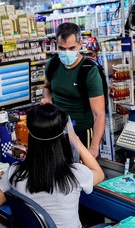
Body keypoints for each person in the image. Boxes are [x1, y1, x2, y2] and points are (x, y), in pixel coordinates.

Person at [0, 104, 104, 228]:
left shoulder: (14, 172)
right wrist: (76, 141)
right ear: (63, 138)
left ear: (31, 137)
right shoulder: (76, 174)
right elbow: (99, 173)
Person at [42, 22, 106, 158]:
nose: (66, 53)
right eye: (62, 48)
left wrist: (94, 147)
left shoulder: (89, 72)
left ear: (80, 44)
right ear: (56, 45)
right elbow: (47, 87)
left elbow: (99, 114)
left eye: (71, 48)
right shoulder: (52, 64)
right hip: (58, 130)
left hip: (82, 132)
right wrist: (47, 98)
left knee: (85, 175)